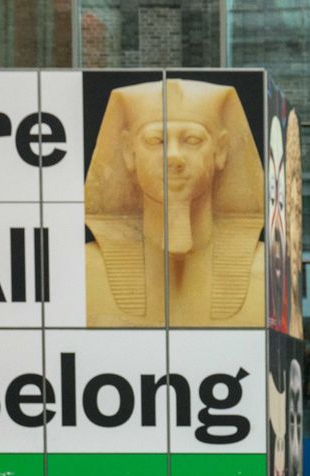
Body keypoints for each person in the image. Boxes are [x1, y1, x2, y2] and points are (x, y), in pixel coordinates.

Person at [83, 77, 265, 328]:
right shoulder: (84, 271)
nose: (174, 157)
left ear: (220, 150)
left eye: (192, 140)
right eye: (156, 140)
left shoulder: (266, 272)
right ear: (128, 151)